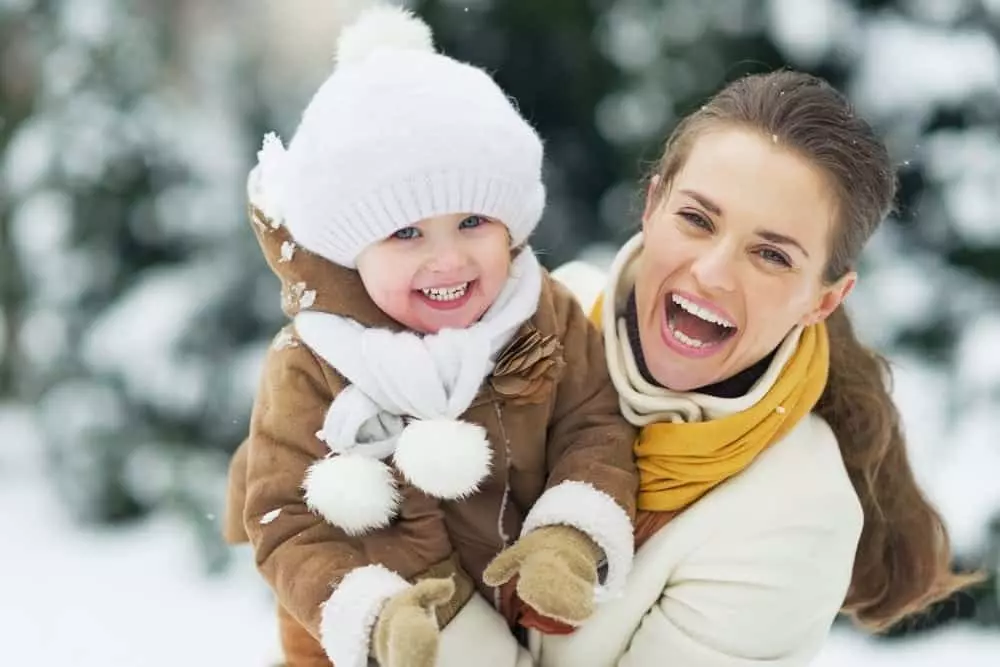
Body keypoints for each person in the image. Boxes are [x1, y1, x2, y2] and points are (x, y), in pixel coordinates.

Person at [221, 6, 637, 667]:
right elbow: (282, 517)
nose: (447, 260)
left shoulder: (541, 313)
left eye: (473, 219)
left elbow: (594, 424)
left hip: (520, 609)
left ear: (513, 224)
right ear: (353, 249)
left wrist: (570, 533)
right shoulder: (312, 362)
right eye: (406, 232)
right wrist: (376, 614)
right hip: (368, 636)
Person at [535, 70, 977, 666]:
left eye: (770, 255)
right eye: (697, 219)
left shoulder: (794, 515)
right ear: (652, 205)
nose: (713, 273)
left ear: (825, 299)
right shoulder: (542, 318)